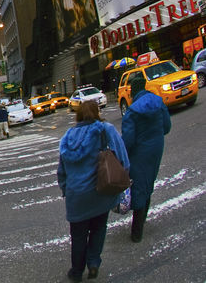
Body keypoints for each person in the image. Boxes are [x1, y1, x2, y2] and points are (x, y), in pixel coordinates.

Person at [57, 101, 130, 282]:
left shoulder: (67, 138)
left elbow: (61, 171)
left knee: (78, 235)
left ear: (78, 115)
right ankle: (94, 263)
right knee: (98, 228)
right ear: (97, 112)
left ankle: (76, 271)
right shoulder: (105, 130)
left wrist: (66, 189)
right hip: (100, 191)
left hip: (76, 195)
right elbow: (123, 159)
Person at [121, 74, 171, 243]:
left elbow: (128, 141)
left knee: (139, 188)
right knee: (148, 182)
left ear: (133, 91)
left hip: (138, 154)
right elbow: (167, 126)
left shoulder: (132, 111)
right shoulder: (158, 102)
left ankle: (137, 232)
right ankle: (141, 221)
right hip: (156, 150)